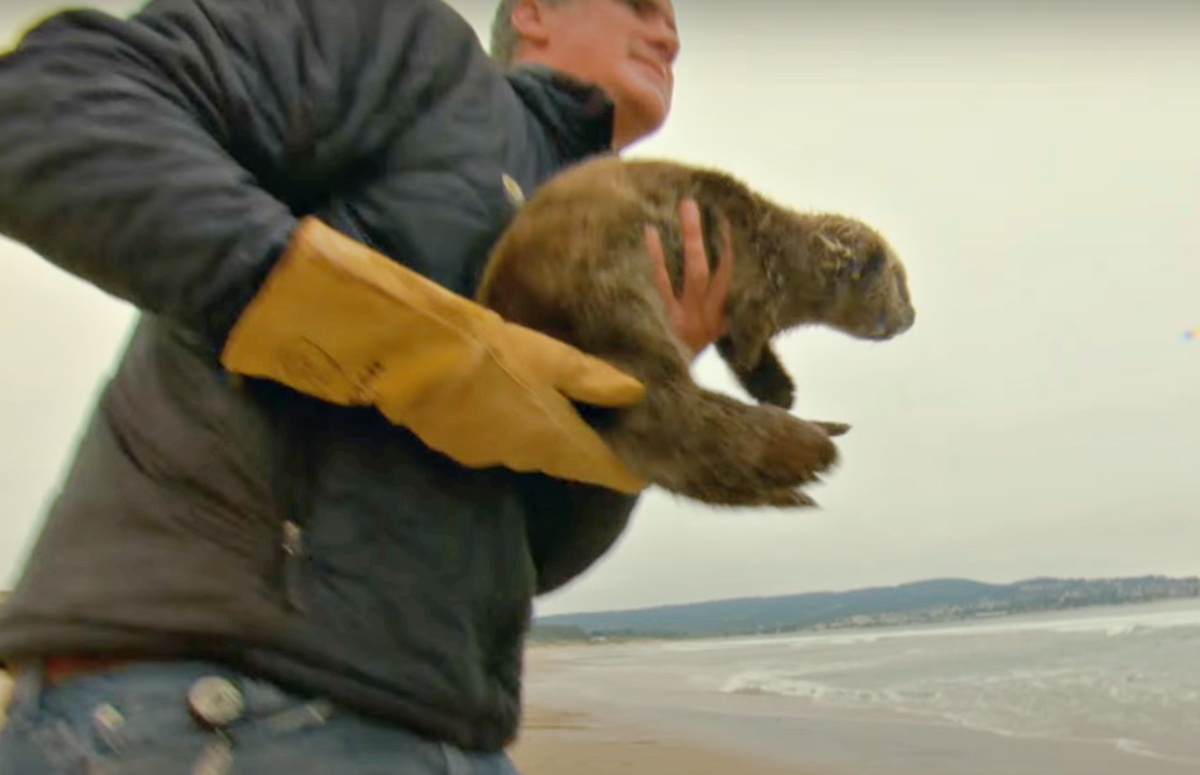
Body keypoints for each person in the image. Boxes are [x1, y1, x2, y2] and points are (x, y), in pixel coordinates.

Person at [0, 0, 734, 772]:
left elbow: (529, 554)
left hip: (452, 736)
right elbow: (51, 99)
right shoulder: (412, 51)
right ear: (535, 12)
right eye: (641, 5)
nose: (668, 33)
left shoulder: (615, 247)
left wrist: (644, 398)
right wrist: (364, 329)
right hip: (213, 702)